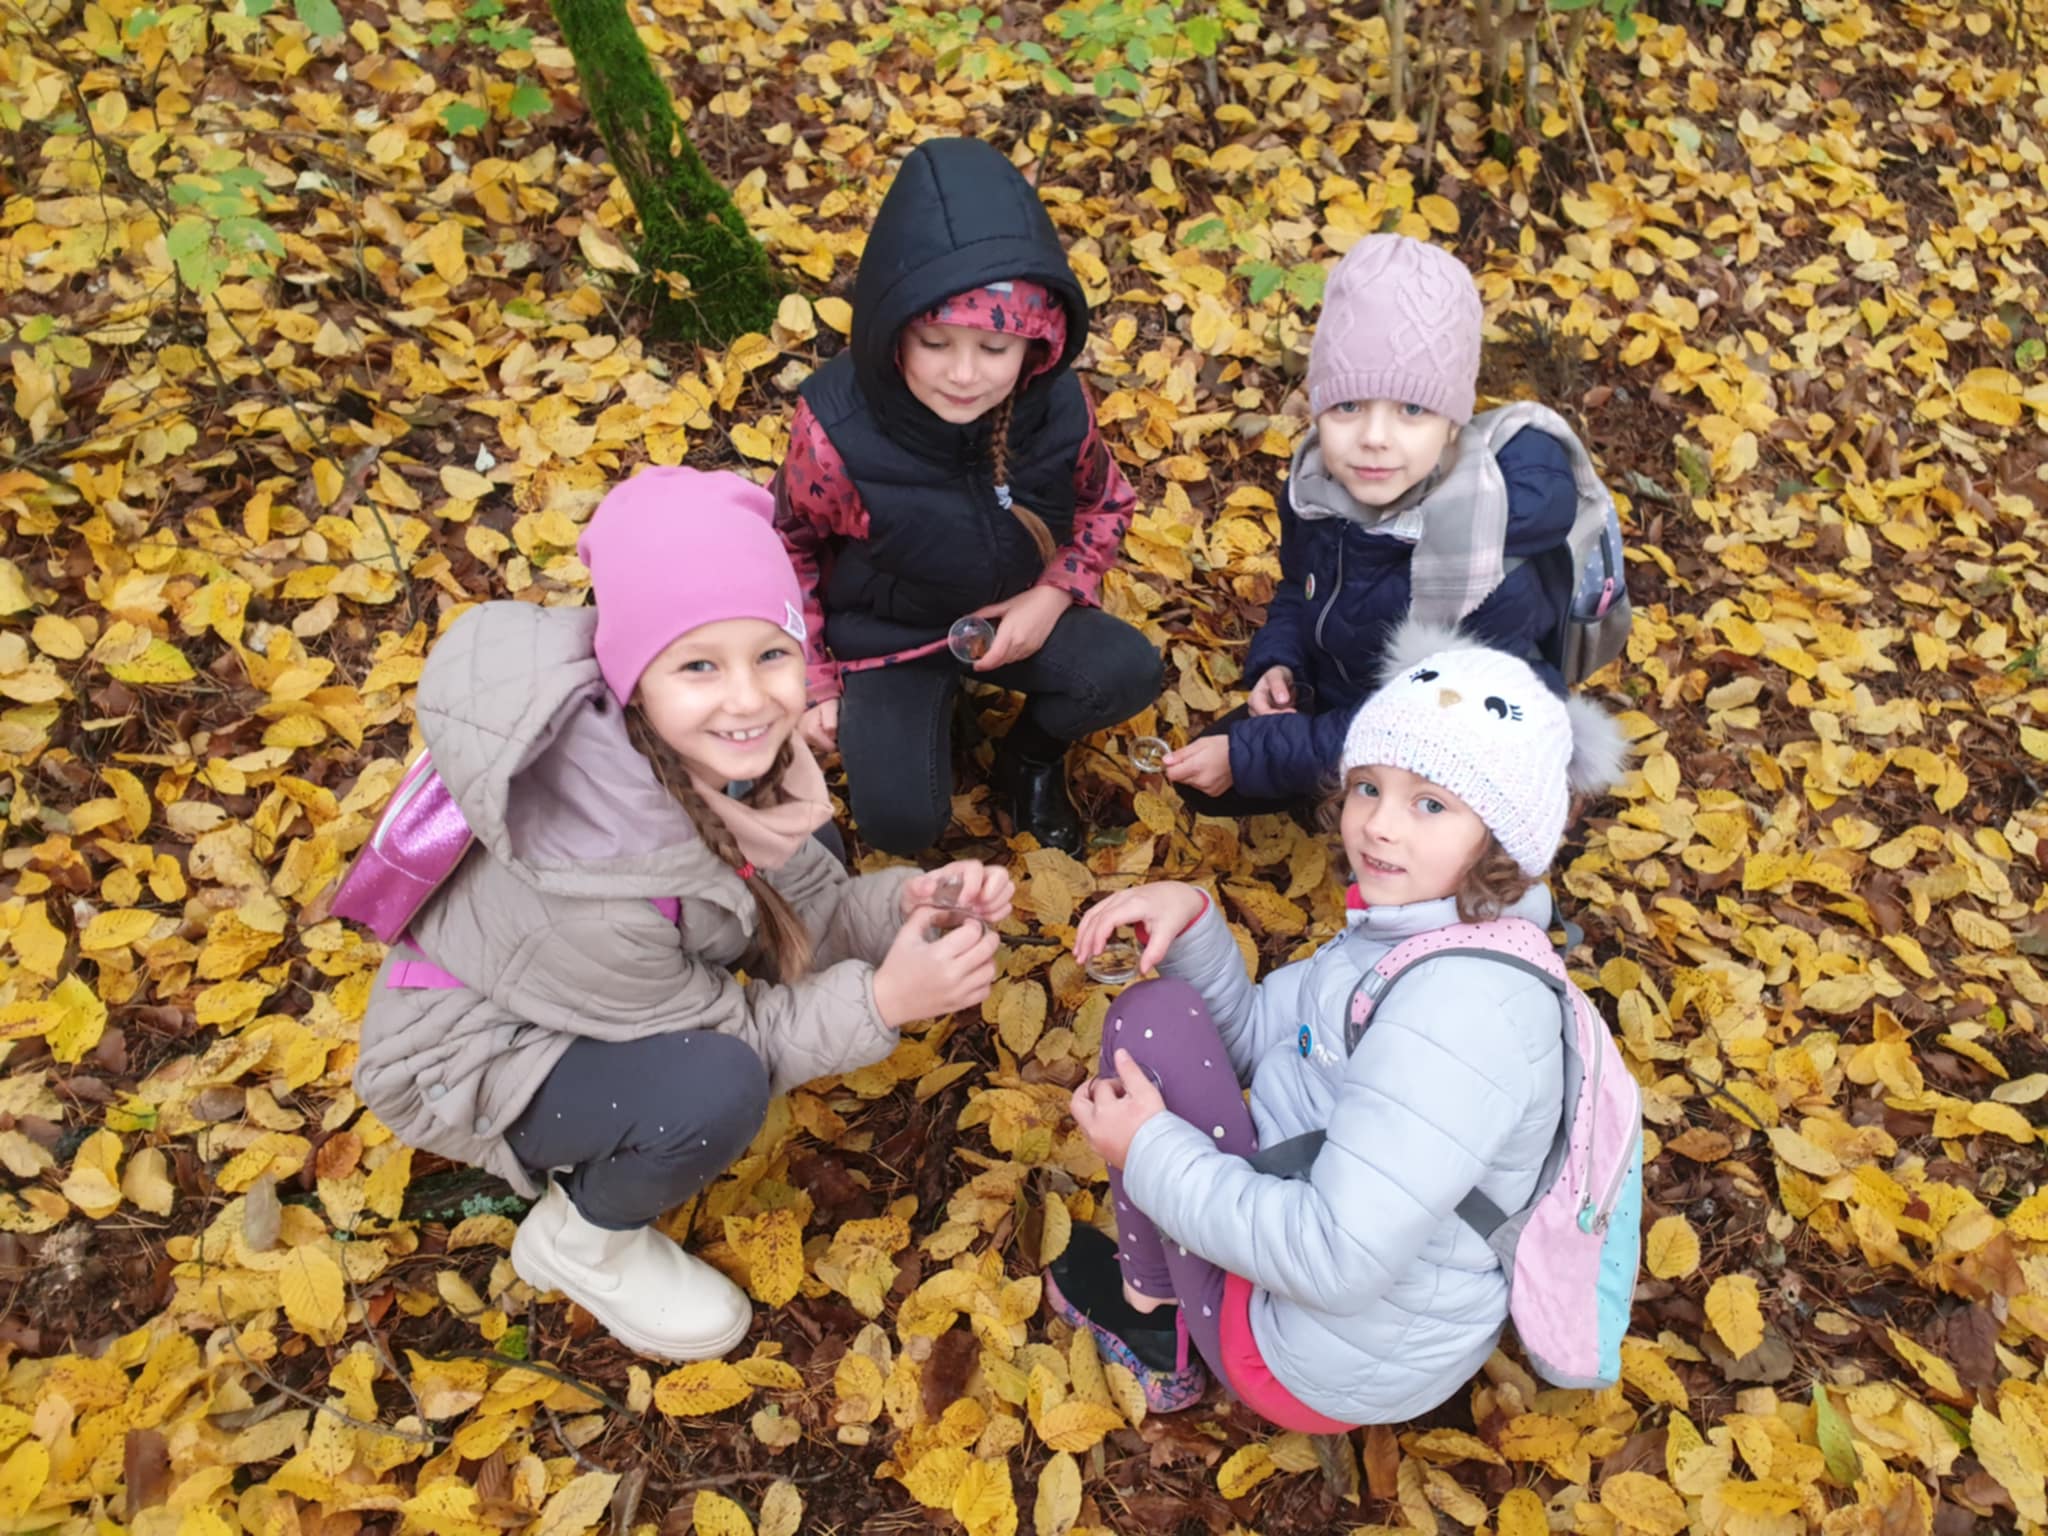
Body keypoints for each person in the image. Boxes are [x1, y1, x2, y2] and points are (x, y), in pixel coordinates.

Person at [354, 466, 1009, 1362]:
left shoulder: (710, 755)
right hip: (471, 1053)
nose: (748, 699)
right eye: (699, 664)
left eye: (771, 655)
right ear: (633, 677)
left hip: (613, 976)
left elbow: (802, 902)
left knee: (811, 846)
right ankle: (582, 1241)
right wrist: (883, 1001)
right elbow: (738, 1042)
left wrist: (902, 904)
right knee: (714, 1089)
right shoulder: (593, 880)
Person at [1048, 625, 1626, 1425]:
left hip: (1308, 1356)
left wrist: (1146, 1152)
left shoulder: (1459, 1014)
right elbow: (1261, 1044)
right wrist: (1196, 923)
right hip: (1374, 1319)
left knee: (1148, 1025)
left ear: (1502, 837)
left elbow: (1336, 1259)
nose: (1380, 825)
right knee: (1163, 1014)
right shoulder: (1417, 931)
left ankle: (1151, 1318)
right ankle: (1160, 1288)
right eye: (1368, 787)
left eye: (1430, 803)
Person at [771, 136, 1163, 856]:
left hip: (1013, 616)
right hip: (887, 643)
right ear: (893, 333)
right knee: (901, 824)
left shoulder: (1057, 407)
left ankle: (1029, 760)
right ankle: (920, 716)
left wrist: (1053, 595)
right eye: (935, 343)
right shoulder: (837, 430)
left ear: (1037, 345)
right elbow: (788, 549)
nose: (962, 375)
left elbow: (1105, 504)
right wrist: (815, 680)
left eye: (993, 349)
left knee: (1127, 670)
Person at [1166, 234, 1596, 818]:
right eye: (1348, 406)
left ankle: (1417, 842)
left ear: (1452, 424)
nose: (1373, 437)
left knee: (1373, 821)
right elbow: (1297, 586)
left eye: (1411, 410)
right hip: (1346, 696)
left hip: (1452, 739)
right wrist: (1281, 661)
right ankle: (1330, 794)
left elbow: (1427, 723)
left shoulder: (1488, 550)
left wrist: (1251, 755)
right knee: (1209, 778)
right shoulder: (1318, 489)